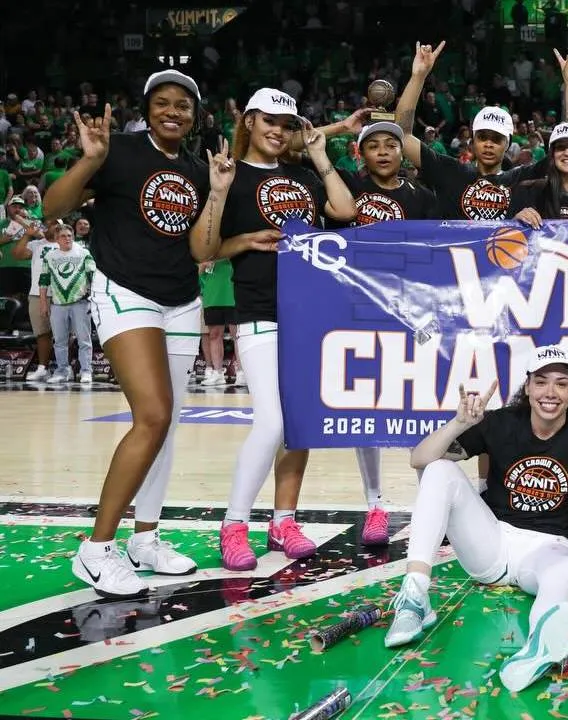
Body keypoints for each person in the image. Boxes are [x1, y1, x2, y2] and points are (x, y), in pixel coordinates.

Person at [44, 70, 221, 597]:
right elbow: (53, 208)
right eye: (162, 102)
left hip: (182, 300)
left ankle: (146, 538)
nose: (173, 111)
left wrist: (218, 193)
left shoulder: (196, 169)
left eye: (183, 105)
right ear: (147, 110)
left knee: (166, 426)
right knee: (153, 416)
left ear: (195, 116)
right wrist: (90, 160)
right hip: (125, 290)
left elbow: (202, 248)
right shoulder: (117, 151)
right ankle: (96, 551)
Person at [386, 345, 568, 695]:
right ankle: (415, 596)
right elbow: (419, 458)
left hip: (549, 547)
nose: (550, 392)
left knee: (562, 570)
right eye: (541, 382)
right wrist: (459, 424)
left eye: (561, 384)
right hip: (494, 541)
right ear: (528, 387)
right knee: (439, 469)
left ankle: (538, 647)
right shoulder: (501, 422)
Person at [210, 88, 356, 571]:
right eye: (270, 121)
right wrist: (244, 240)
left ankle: (283, 521)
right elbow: (205, 249)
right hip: (258, 309)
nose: (278, 130)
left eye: (286, 124)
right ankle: (233, 525)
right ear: (249, 121)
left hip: (308, 312)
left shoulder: (302, 176)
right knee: (272, 422)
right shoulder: (230, 174)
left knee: (298, 426)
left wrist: (319, 155)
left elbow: (345, 211)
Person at [338, 119, 437, 546]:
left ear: (402, 151)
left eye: (390, 145)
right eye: (373, 145)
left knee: (420, 409)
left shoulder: (424, 197)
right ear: (361, 153)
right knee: (366, 411)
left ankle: (430, 504)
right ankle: (374, 504)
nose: (382, 151)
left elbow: (436, 255)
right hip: (359, 309)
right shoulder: (347, 188)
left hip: (412, 312)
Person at [394, 43, 568, 220]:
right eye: (483, 137)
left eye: (496, 139)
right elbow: (402, 134)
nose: (489, 144)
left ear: (507, 144)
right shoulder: (450, 171)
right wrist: (418, 77)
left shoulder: (522, 179)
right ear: (473, 140)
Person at [37, 223, 95, 384]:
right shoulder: (50, 256)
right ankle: (62, 371)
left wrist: (93, 297)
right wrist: (43, 303)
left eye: (69, 236)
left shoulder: (84, 253)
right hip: (57, 304)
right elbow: (43, 280)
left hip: (80, 302)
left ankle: (86, 371)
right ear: (57, 239)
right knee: (59, 341)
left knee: (84, 340)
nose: (67, 239)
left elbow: (93, 276)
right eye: (63, 236)